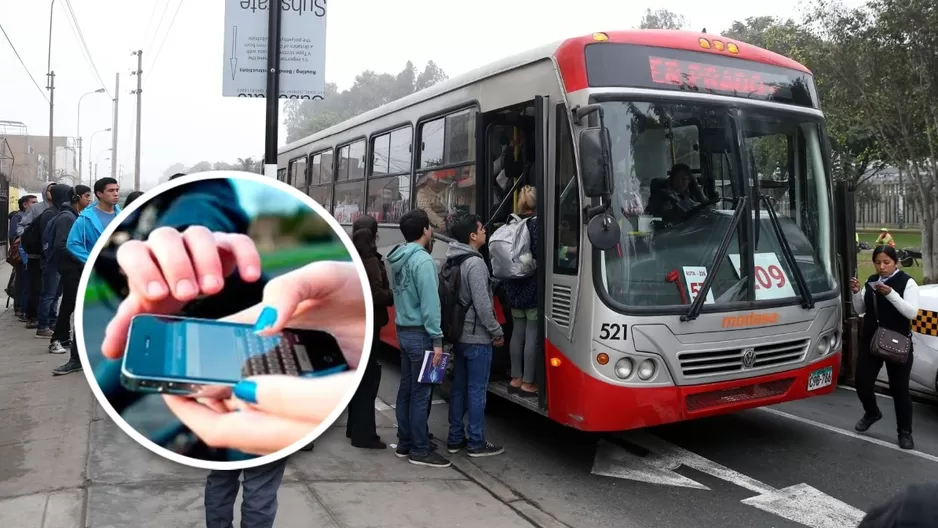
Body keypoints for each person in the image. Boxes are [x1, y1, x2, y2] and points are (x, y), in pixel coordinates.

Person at [387, 209, 450, 468]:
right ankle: (420, 449)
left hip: (403, 330)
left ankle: (405, 442)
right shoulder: (423, 262)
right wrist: (437, 340)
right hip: (422, 334)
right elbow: (430, 305)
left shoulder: (399, 257)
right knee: (421, 393)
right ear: (425, 230)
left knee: (407, 390)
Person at [444, 213, 505, 457]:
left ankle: (454, 438)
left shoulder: (451, 260)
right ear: (472, 236)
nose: (484, 232)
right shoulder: (475, 263)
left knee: (458, 388)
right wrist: (496, 331)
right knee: (477, 390)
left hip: (458, 335)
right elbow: (482, 305)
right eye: (481, 229)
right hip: (477, 337)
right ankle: (476, 442)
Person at [850, 245, 920, 450]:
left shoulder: (907, 282)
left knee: (900, 390)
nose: (882, 267)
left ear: (895, 262)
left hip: (897, 342)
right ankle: (872, 412)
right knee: (862, 382)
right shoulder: (871, 281)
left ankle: (904, 433)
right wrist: (856, 293)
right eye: (878, 263)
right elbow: (861, 310)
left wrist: (891, 294)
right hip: (872, 340)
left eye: (886, 263)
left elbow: (912, 313)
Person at [346, 214, 392, 449]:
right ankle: (364, 434)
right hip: (369, 323)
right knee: (368, 378)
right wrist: (393, 296)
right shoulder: (370, 259)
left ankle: (353, 427)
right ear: (373, 235)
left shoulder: (351, 255)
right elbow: (375, 294)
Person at [503, 186, 540, 397]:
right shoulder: (535, 225)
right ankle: (528, 383)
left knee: (517, 333)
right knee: (532, 333)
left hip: (513, 286)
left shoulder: (512, 223)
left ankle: (515, 379)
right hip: (531, 285)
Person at [47, 185, 90, 361]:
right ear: (76, 198)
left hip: (73, 266)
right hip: (70, 267)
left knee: (70, 303)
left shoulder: (74, 216)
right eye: (87, 196)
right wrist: (81, 258)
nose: (89, 200)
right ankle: (56, 339)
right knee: (69, 303)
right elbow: (62, 245)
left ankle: (63, 336)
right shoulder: (67, 217)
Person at [35, 184, 72, 338]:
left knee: (55, 294)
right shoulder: (52, 214)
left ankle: (51, 321)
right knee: (49, 294)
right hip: (52, 262)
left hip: (56, 262)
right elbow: (48, 240)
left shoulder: (58, 212)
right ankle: (42, 326)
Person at [19, 183, 57, 329]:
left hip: (51, 255)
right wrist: (31, 238)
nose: (52, 192)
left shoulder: (59, 208)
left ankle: (48, 316)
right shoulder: (35, 208)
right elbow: (22, 227)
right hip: (36, 254)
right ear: (44, 192)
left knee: (50, 289)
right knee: (35, 287)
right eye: (49, 190)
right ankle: (32, 316)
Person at [9, 194, 37, 319]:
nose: (36, 205)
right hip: (20, 255)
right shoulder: (18, 217)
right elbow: (14, 236)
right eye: (33, 202)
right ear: (25, 204)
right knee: (21, 281)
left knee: (28, 282)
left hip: (29, 253)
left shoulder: (34, 216)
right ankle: (18, 307)